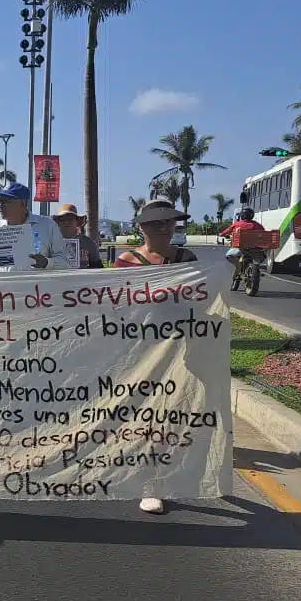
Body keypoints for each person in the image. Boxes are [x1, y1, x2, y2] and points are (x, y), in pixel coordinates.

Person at [112, 199, 198, 515]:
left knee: (165, 416)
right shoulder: (125, 261)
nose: (162, 229)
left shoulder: (188, 259)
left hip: (179, 350)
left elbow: (202, 299)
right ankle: (145, 476)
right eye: (155, 223)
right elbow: (119, 305)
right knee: (142, 415)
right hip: (138, 350)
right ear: (141, 227)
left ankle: (154, 481)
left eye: (168, 222)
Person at [0, 183, 68, 271]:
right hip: (4, 284)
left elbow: (64, 262)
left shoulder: (47, 225)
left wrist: (46, 263)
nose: (0, 205)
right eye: (0, 201)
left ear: (23, 204)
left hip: (38, 284)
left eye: (6, 201)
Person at [51, 203, 104, 269]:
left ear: (77, 222)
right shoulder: (51, 243)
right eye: (62, 220)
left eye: (70, 219)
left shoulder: (88, 243)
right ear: (58, 223)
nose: (66, 222)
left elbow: (97, 267)